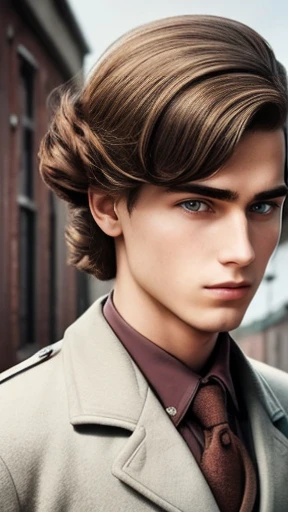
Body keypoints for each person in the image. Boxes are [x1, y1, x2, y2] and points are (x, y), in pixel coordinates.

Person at [1, 14, 288, 512]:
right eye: (197, 204)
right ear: (108, 206)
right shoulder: (11, 437)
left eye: (262, 206)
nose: (241, 250)